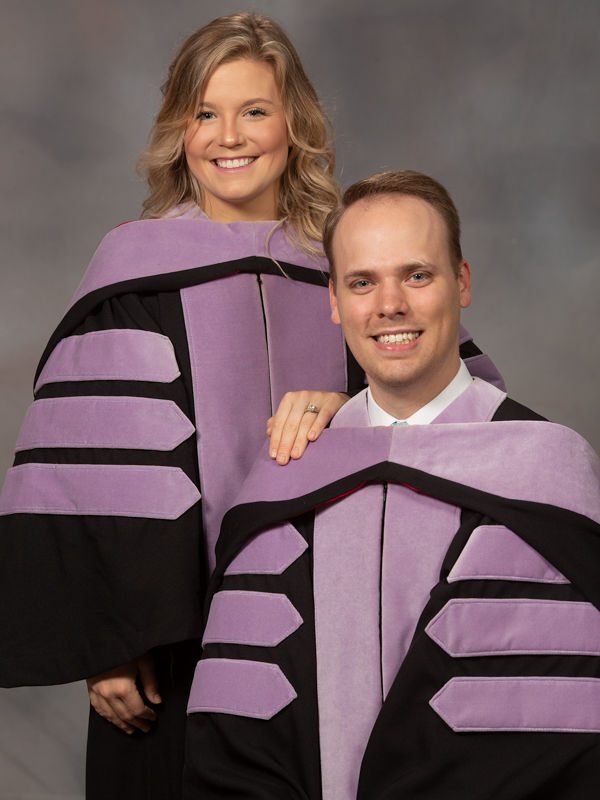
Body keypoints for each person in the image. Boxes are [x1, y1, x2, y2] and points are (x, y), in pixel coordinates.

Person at [0, 13, 363, 800]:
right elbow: (78, 471)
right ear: (179, 130)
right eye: (205, 112)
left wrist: (351, 409)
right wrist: (105, 643)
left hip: (335, 649)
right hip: (171, 656)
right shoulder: (131, 274)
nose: (229, 136)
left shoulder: (353, 268)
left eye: (255, 111)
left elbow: (451, 414)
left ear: (294, 125)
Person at [184, 170, 600, 799]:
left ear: (461, 283)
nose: (389, 306)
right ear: (333, 300)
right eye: (362, 282)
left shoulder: (547, 473)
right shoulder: (287, 477)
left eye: (417, 275)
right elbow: (234, 730)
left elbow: (557, 732)